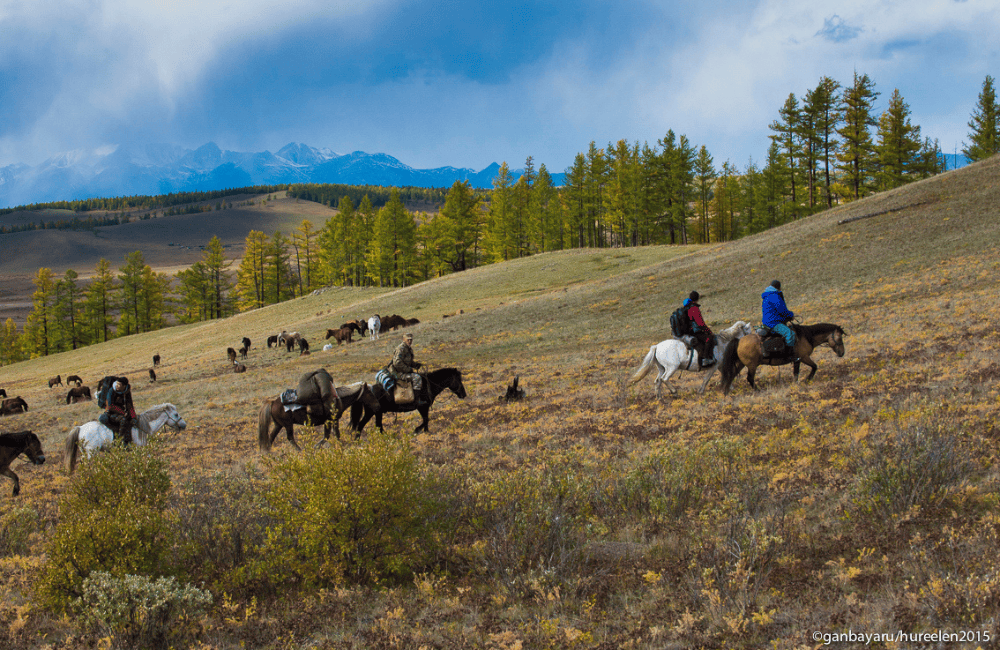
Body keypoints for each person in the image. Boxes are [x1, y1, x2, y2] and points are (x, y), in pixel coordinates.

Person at [761, 280, 796, 355]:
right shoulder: (775, 296)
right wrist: (791, 315)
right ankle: (790, 355)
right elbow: (782, 310)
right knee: (790, 333)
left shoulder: (767, 295)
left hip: (769, 321)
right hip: (773, 322)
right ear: (779, 287)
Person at [684, 291, 716, 367]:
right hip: (694, 331)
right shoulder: (694, 308)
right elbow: (700, 323)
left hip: (688, 331)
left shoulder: (687, 307)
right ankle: (705, 359)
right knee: (709, 338)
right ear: (697, 298)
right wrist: (709, 331)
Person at [391, 333, 425, 403]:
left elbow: (406, 361)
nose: (410, 341)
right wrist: (408, 369)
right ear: (404, 340)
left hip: (403, 371)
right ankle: (416, 400)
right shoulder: (401, 349)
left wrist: (415, 365)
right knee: (417, 378)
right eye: (408, 340)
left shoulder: (407, 348)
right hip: (399, 373)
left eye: (411, 340)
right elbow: (397, 363)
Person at [102, 377, 137, 445]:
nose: (117, 386)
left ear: (124, 386)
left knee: (131, 422)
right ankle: (120, 441)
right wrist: (123, 413)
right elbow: (110, 406)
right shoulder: (111, 391)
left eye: (119, 385)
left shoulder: (126, 392)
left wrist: (133, 416)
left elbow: (130, 405)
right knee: (123, 421)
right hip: (111, 413)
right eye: (117, 384)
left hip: (122, 412)